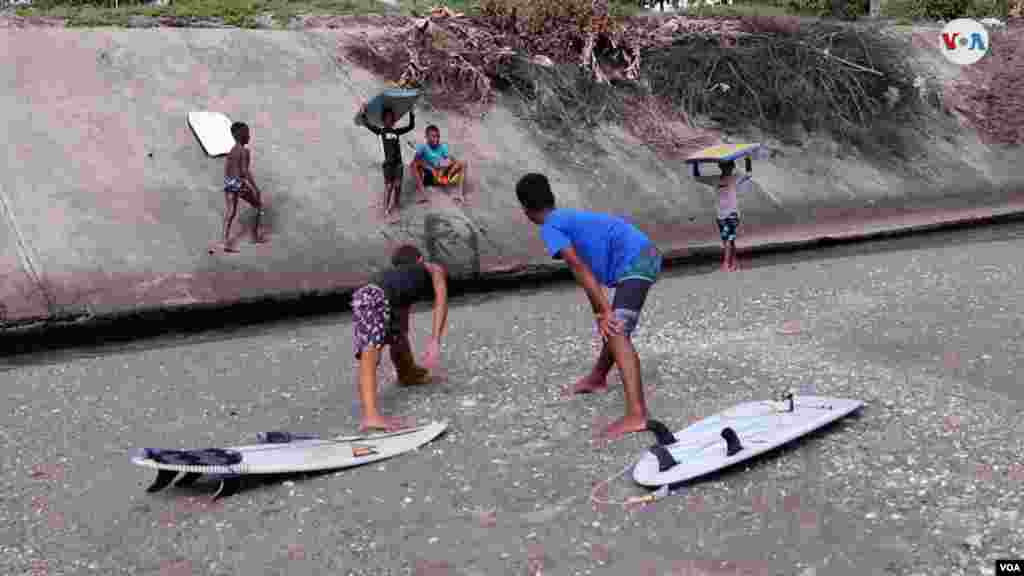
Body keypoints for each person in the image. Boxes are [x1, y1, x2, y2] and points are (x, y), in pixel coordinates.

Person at [515, 172, 663, 440]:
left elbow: (578, 266)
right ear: (551, 197)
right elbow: (585, 274)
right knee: (612, 323)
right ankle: (597, 377)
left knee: (616, 328)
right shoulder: (565, 218)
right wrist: (600, 312)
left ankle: (637, 413)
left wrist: (605, 312)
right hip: (643, 254)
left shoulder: (551, 226)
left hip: (637, 259)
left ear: (525, 209)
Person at [351, 244, 449, 431]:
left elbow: (399, 333)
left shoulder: (396, 279)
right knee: (371, 351)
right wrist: (435, 339)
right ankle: (371, 417)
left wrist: (409, 371)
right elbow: (441, 302)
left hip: (366, 293)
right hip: (374, 296)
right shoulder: (433, 268)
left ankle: (407, 374)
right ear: (420, 259)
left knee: (397, 335)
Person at [358, 104, 415, 222]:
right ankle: (385, 209)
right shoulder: (381, 131)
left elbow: (410, 126)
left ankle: (396, 206)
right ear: (383, 121)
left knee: (398, 186)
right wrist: (363, 113)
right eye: (387, 118)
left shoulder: (397, 132)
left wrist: (411, 113)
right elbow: (368, 124)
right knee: (389, 187)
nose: (390, 120)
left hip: (398, 163)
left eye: (391, 118)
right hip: (388, 164)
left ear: (394, 120)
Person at [693, 159, 747, 272]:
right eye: (724, 166)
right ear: (720, 167)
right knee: (727, 239)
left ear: (732, 167)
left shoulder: (735, 178)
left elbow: (749, 174)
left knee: (728, 238)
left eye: (729, 166)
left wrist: (747, 159)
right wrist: (696, 164)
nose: (727, 168)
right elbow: (697, 178)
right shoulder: (715, 179)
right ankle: (735, 263)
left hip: (732, 214)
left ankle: (726, 264)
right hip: (720, 215)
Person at [221, 121, 267, 252]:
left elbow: (228, 168)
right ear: (242, 136)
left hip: (229, 182)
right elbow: (244, 171)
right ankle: (254, 236)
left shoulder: (232, 151)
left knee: (230, 212)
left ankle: (224, 241)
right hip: (239, 183)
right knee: (257, 206)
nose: (249, 136)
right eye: (248, 134)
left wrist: (229, 183)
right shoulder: (245, 151)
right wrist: (254, 187)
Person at [412, 124, 467, 204]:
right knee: (413, 164)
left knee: (462, 163)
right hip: (429, 177)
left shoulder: (443, 146)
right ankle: (423, 195)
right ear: (426, 137)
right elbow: (415, 161)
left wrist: (443, 164)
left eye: (438, 136)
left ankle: (460, 194)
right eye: (433, 136)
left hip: (442, 175)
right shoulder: (422, 147)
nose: (436, 139)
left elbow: (449, 159)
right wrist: (430, 167)